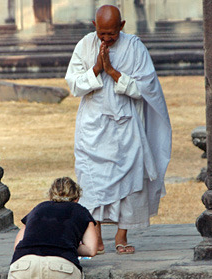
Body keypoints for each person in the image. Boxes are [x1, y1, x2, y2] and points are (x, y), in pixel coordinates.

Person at [65, 5, 172, 255]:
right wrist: (96, 69)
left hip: (126, 125)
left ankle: (122, 235)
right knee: (92, 183)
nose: (106, 39)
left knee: (131, 178)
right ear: (94, 26)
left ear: (121, 26)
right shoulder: (84, 45)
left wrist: (113, 72)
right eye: (101, 33)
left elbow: (146, 88)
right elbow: (74, 85)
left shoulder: (135, 47)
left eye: (111, 34)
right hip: (92, 127)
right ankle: (97, 235)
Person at [4, 177, 98, 279]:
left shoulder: (38, 208)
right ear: (77, 198)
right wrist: (69, 245)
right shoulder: (80, 211)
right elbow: (91, 249)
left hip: (24, 264)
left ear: (50, 195)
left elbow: (18, 244)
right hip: (60, 266)